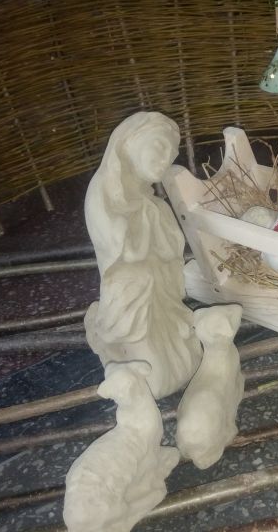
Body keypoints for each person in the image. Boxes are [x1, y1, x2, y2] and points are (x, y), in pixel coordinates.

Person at [84, 112, 201, 398]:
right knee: (155, 378)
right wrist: (149, 217)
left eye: (171, 155)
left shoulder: (151, 202)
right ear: (129, 144)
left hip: (160, 291)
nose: (165, 160)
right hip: (133, 296)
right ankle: (114, 344)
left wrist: (156, 214)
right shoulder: (103, 194)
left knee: (185, 357)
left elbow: (170, 248)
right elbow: (122, 251)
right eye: (158, 148)